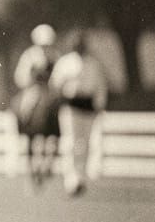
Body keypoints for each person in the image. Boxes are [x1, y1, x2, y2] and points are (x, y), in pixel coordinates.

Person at [49, 29, 108, 196]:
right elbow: (56, 84)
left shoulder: (93, 64)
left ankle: (81, 177)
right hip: (71, 105)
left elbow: (100, 87)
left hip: (88, 106)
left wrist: (99, 105)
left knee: (87, 143)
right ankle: (71, 179)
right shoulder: (65, 63)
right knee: (71, 141)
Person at [12, 23, 61, 186]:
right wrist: (32, 80)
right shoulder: (30, 56)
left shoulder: (56, 55)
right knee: (26, 106)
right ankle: (23, 124)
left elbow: (60, 77)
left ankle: (48, 164)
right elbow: (21, 77)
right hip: (34, 89)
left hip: (50, 90)